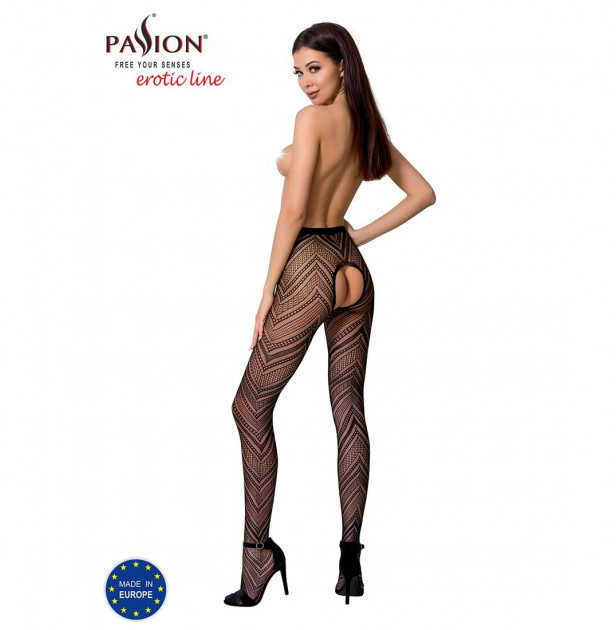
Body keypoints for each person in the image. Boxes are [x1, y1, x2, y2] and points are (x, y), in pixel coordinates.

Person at [224, 22, 436, 607]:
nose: (305, 83)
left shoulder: (311, 121)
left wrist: (267, 291)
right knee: (348, 408)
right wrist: (357, 237)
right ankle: (350, 560)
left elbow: (293, 212)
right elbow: (422, 193)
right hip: (352, 270)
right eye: (297, 72)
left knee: (248, 406)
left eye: (314, 68)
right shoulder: (366, 128)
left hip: (310, 264)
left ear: (343, 64)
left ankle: (258, 555)